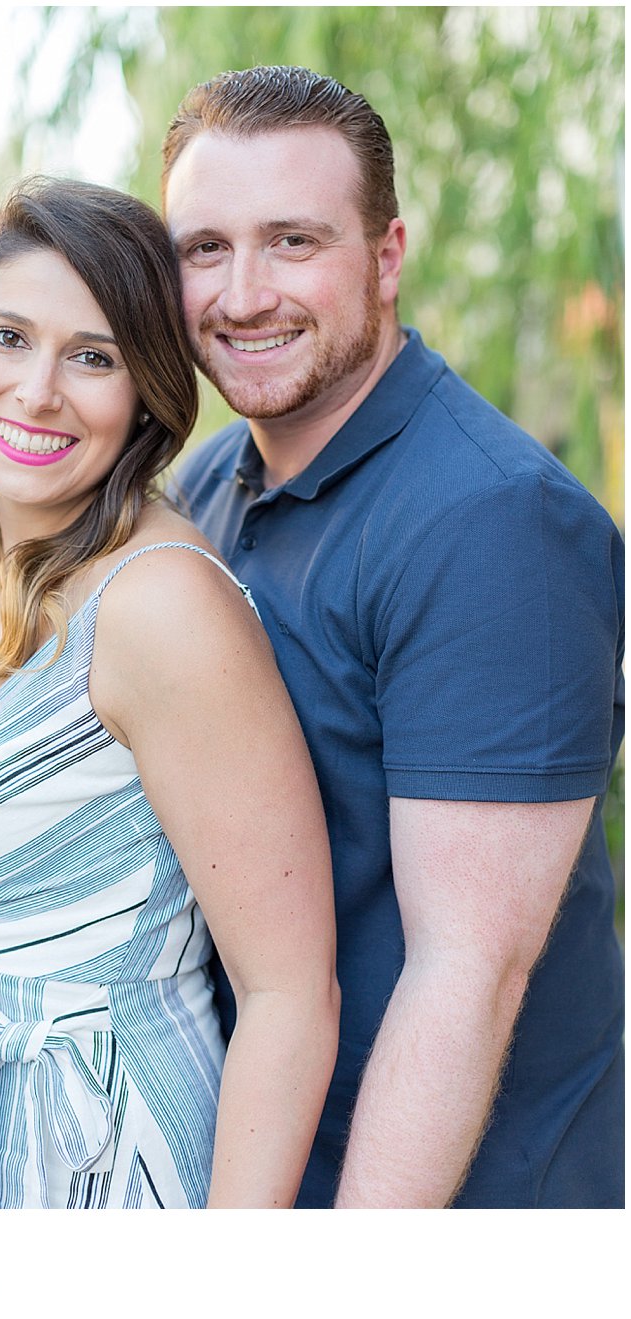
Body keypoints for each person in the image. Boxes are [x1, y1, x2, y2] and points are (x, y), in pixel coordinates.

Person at [163, 65, 625, 1208]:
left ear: (385, 254)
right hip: (257, 1163)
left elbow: (468, 974)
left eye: (292, 241)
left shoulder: (493, 525)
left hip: (444, 1207)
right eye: (204, 248)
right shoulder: (207, 484)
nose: (243, 292)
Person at [0, 178, 340, 1209]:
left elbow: (290, 992)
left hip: (113, 1161)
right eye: (8, 336)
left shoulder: (158, 604)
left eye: (92, 357)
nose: (37, 391)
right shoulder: (5, 549)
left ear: (145, 392)